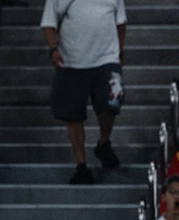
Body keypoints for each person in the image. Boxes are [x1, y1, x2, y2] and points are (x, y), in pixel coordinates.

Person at [44, 0, 127, 184]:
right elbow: (49, 23)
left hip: (106, 57)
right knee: (73, 115)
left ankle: (104, 142)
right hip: (71, 60)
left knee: (110, 103)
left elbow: (120, 21)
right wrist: (53, 50)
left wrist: (120, 48)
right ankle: (81, 164)